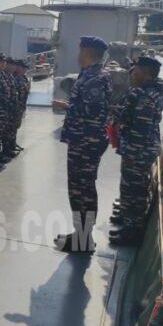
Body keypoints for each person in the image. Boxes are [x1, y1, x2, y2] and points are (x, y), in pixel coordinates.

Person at [53, 36, 112, 254]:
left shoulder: (95, 77)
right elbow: (88, 109)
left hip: (86, 143)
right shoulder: (92, 75)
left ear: (86, 51)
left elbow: (94, 115)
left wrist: (70, 109)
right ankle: (81, 235)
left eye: (80, 50)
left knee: (81, 190)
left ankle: (84, 239)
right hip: (84, 140)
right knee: (80, 189)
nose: (77, 55)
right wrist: (69, 106)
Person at [109, 56, 163, 246]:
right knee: (129, 187)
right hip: (136, 149)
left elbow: (140, 129)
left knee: (135, 190)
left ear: (145, 73)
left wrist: (131, 153)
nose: (132, 73)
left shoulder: (146, 97)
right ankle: (128, 218)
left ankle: (133, 232)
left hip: (137, 151)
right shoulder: (145, 92)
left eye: (136, 70)